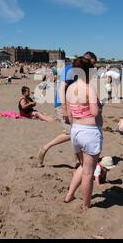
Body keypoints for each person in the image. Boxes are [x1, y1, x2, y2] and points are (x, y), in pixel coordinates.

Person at [38, 52, 98, 167]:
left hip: (72, 105)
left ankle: (79, 162)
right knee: (71, 133)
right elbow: (61, 89)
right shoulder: (72, 69)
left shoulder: (80, 71)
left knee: (77, 132)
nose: (93, 67)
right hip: (63, 105)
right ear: (86, 60)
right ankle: (45, 147)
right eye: (92, 64)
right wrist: (64, 109)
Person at [64, 56, 103, 210]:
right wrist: (99, 106)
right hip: (89, 132)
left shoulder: (69, 89)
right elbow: (94, 112)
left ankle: (70, 194)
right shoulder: (88, 88)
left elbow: (69, 114)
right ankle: (86, 204)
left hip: (75, 131)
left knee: (82, 166)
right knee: (88, 172)